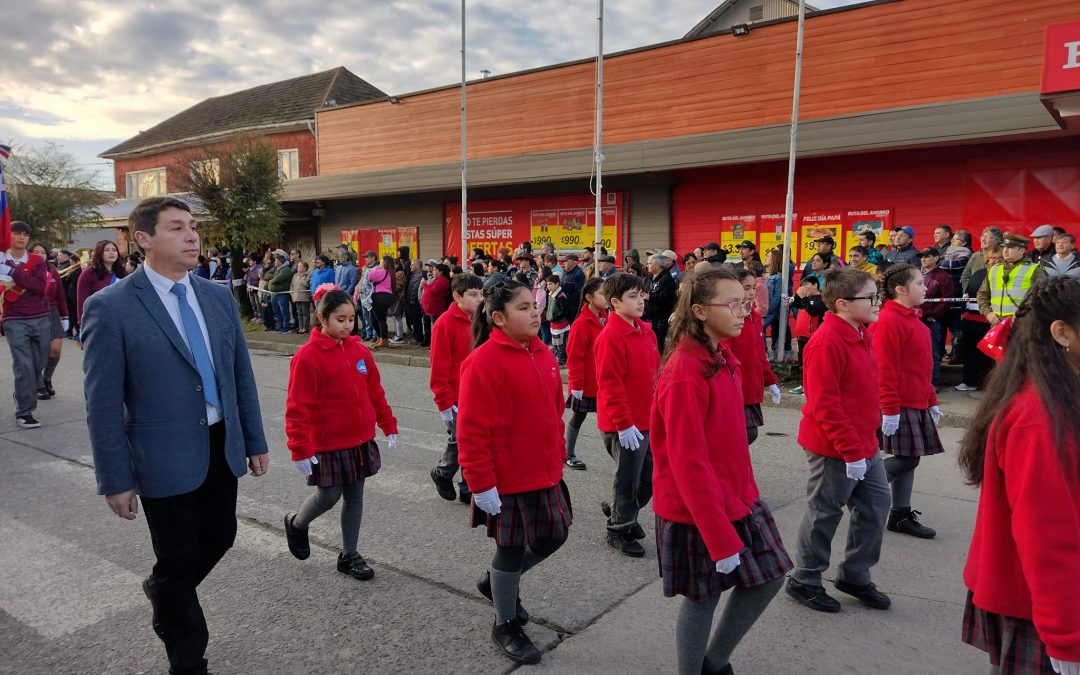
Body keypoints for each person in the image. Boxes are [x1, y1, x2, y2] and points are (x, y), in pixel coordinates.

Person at [83, 196, 269, 674]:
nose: (192, 236)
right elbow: (102, 403)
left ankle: (162, 589)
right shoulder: (111, 306)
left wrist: (254, 440)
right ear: (144, 240)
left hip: (219, 441)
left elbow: (238, 374)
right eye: (176, 228)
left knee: (221, 536)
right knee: (180, 555)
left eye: (193, 226)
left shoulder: (217, 295)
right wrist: (115, 478)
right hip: (161, 454)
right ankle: (188, 659)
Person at [652, 265, 792, 675]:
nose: (743, 311)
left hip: (738, 498)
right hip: (697, 511)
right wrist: (718, 536)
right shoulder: (684, 372)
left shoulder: (721, 356)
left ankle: (713, 663)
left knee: (769, 577)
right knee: (703, 598)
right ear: (698, 310)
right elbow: (688, 463)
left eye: (745, 302)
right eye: (731, 303)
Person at [958, 275, 1080, 675]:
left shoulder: (1060, 392)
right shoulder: (1039, 418)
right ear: (1062, 333)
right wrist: (1066, 638)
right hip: (1044, 604)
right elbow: (1047, 535)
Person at [457, 281, 570, 666]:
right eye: (523, 308)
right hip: (507, 479)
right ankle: (505, 622)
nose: (535, 312)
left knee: (555, 535)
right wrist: (480, 483)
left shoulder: (543, 353)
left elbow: (555, 412)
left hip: (545, 472)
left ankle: (496, 583)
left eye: (534, 305)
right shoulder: (483, 362)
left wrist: (559, 451)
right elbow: (471, 430)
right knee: (508, 550)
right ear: (499, 318)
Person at [786, 267, 892, 614]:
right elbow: (825, 405)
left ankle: (855, 575)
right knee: (824, 512)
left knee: (876, 507)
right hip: (834, 448)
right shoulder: (826, 342)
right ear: (844, 304)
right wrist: (849, 451)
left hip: (864, 443)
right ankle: (805, 579)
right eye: (871, 297)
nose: (878, 302)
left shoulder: (862, 333)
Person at [283, 286, 398, 581]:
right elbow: (297, 406)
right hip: (328, 442)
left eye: (351, 319)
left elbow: (375, 392)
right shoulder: (307, 357)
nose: (347, 325)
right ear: (322, 317)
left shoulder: (360, 351)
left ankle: (349, 554)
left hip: (359, 440)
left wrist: (388, 424)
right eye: (340, 319)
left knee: (355, 497)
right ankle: (297, 523)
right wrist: (299, 448)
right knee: (329, 495)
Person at [875, 264, 945, 540]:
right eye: (919, 283)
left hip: (915, 401)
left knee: (910, 457)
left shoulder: (913, 321)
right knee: (906, 459)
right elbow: (884, 368)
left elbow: (921, 367)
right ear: (900, 290)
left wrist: (931, 399)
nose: (926, 287)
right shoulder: (889, 321)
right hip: (899, 403)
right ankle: (860, 489)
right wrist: (889, 409)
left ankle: (899, 514)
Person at [595, 272, 661, 558]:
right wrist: (623, 424)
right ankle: (619, 529)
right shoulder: (610, 336)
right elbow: (610, 384)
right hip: (623, 424)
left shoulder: (645, 331)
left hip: (647, 418)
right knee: (628, 479)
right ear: (614, 302)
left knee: (651, 477)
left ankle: (622, 510)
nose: (640, 301)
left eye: (641, 295)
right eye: (632, 297)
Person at [429, 273, 484, 504]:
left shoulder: (481, 320)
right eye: (473, 295)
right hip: (454, 395)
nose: (479, 299)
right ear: (457, 296)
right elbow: (439, 367)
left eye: (481, 294)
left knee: (470, 440)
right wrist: (444, 401)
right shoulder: (445, 323)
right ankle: (445, 473)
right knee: (461, 439)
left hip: (477, 393)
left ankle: (465, 486)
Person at [2, 222, 50, 428]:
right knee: (24, 366)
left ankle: (22, 396)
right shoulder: (1, 258)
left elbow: (39, 287)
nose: (21, 238)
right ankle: (24, 411)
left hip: (40, 316)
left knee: (37, 365)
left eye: (25, 234)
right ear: (8, 235)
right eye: (16, 233)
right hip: (14, 319)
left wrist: (13, 272)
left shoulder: (36, 260)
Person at [731, 269, 781, 445]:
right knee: (743, 434)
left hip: (750, 385)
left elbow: (760, 353)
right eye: (746, 288)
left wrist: (770, 380)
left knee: (747, 435)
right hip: (734, 387)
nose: (751, 292)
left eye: (753, 287)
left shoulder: (755, 316)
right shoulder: (729, 317)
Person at [564, 277, 607, 471]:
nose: (606, 297)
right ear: (589, 297)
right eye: (602, 293)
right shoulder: (582, 324)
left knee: (611, 421)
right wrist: (577, 385)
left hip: (604, 382)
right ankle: (569, 453)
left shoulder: (606, 318)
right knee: (578, 417)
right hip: (588, 383)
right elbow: (574, 357)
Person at [956, 246, 1003, 393]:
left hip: (989, 321)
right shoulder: (978, 274)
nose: (995, 261)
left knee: (988, 355)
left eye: (999, 258)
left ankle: (987, 383)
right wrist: (963, 311)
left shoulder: (1003, 275)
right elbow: (967, 293)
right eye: (992, 258)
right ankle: (969, 381)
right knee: (969, 352)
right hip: (970, 319)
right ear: (986, 260)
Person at [977, 233, 1047, 326]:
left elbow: (1042, 298)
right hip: (996, 323)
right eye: (1004, 247)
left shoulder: (1035, 270)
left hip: (1022, 324)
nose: (1005, 251)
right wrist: (988, 313)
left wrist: (1024, 316)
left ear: (1022, 250)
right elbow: (982, 294)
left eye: (1010, 248)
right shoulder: (994, 269)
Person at [29, 243, 68, 399]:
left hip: (52, 310)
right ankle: (38, 384)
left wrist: (65, 316)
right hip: (34, 312)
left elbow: (60, 295)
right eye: (36, 252)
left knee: (55, 349)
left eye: (42, 252)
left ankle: (47, 378)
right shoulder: (25, 271)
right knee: (38, 351)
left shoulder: (52, 272)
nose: (40, 255)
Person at [918, 247, 956, 388]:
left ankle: (933, 382)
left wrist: (934, 315)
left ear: (936, 258)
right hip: (915, 318)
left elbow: (947, 299)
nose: (923, 259)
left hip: (931, 320)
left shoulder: (943, 276)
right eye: (922, 256)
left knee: (932, 352)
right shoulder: (916, 274)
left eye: (927, 256)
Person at [788, 276, 827, 396]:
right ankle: (803, 385)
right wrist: (798, 295)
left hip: (813, 336)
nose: (804, 288)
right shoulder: (804, 299)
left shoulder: (820, 300)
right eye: (802, 286)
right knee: (802, 362)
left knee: (813, 363)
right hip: (801, 336)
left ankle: (813, 385)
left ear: (815, 285)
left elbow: (813, 311)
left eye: (807, 285)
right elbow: (792, 303)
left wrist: (804, 297)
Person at [76, 240, 126, 330]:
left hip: (121, 320)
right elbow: (82, 301)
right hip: (98, 321)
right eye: (107, 250)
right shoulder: (88, 274)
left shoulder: (122, 273)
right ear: (99, 253)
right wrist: (82, 325)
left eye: (114, 250)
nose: (111, 253)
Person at [763, 248, 795, 362]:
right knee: (770, 329)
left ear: (774, 259)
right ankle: (768, 351)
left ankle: (768, 353)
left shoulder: (778, 277)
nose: (766, 257)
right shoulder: (765, 275)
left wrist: (767, 310)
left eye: (768, 256)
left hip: (774, 309)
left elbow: (777, 297)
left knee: (765, 327)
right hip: (765, 309)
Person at [645, 253, 677, 352]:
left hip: (661, 319)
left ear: (657, 265)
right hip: (649, 316)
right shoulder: (649, 278)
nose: (647, 266)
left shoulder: (667, 279)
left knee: (659, 345)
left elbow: (666, 297)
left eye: (649, 263)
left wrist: (650, 297)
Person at [365, 254, 396, 349]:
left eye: (382, 262)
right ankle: (381, 338)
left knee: (380, 320)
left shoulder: (382, 271)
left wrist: (375, 268)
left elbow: (370, 276)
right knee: (374, 319)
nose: (380, 263)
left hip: (380, 297)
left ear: (385, 263)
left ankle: (384, 339)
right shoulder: (390, 273)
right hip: (384, 297)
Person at [960, 226, 1004, 291]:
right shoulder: (975, 256)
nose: (983, 239)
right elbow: (965, 276)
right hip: (975, 296)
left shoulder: (1003, 255)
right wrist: (968, 291)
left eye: (988, 237)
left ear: (997, 241)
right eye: (983, 236)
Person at [545, 274, 571, 366]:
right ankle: (556, 356)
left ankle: (561, 358)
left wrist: (556, 316)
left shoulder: (561, 296)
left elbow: (564, 310)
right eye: (547, 284)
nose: (548, 286)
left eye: (550, 284)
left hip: (561, 324)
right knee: (555, 342)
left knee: (561, 342)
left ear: (557, 284)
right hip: (553, 323)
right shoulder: (550, 294)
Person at [267, 252, 293, 333]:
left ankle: (286, 327)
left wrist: (272, 279)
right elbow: (266, 274)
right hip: (273, 294)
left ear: (280, 262)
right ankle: (279, 326)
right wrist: (273, 277)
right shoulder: (276, 269)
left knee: (284, 311)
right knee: (276, 311)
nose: (274, 262)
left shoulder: (286, 270)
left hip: (282, 294)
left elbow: (276, 280)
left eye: (276, 261)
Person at [57, 249, 81, 337]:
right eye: (70, 262)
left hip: (74, 294)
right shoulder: (70, 269)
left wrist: (71, 275)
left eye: (72, 262)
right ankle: (70, 330)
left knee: (75, 314)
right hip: (70, 294)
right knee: (71, 313)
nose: (71, 264)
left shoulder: (78, 271)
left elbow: (77, 282)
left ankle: (78, 331)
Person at [421, 263, 451, 327]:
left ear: (440, 272)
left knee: (436, 327)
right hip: (433, 309)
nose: (433, 271)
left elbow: (432, 292)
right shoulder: (438, 280)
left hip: (436, 310)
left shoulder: (441, 281)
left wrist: (424, 284)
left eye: (435, 270)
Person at [560, 253, 586, 321]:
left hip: (572, 308)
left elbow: (577, 294)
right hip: (564, 306)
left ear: (573, 262)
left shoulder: (579, 274)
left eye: (566, 261)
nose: (563, 263)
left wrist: (565, 298)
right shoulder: (565, 273)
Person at [290, 260, 312, 334]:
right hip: (296, 296)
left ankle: (305, 328)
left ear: (305, 268)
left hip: (305, 297)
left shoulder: (308, 275)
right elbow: (292, 286)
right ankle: (300, 327)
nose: (298, 267)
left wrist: (302, 281)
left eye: (300, 266)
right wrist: (292, 295)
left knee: (305, 313)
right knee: (299, 312)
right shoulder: (295, 275)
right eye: (298, 266)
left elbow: (308, 285)